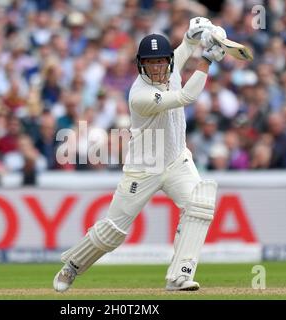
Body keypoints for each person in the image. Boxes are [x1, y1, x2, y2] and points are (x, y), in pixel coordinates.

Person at [53, 17, 227, 292]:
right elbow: (185, 98)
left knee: (200, 205)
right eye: (151, 62)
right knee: (113, 232)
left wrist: (195, 34)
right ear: (141, 64)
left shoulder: (170, 69)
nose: (157, 68)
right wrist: (207, 59)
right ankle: (72, 265)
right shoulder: (140, 95)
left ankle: (179, 276)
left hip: (177, 160)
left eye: (161, 62)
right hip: (144, 167)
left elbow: (182, 50)